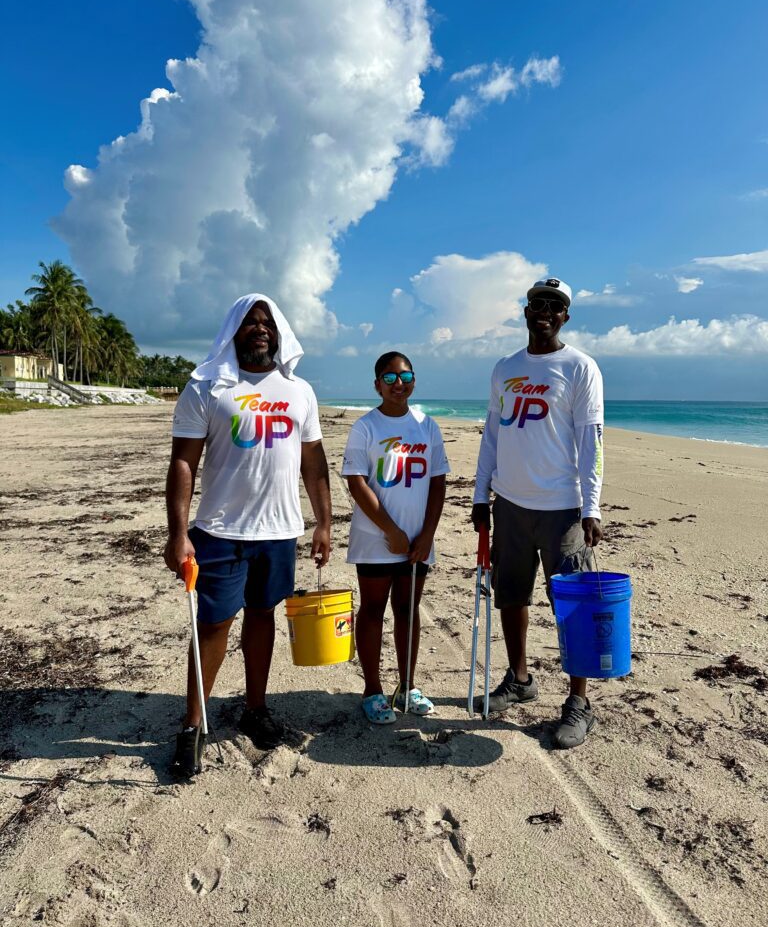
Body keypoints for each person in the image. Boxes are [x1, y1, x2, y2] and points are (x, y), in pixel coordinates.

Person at [164, 293, 332, 776]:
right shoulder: (207, 387)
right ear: (233, 330)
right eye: (250, 322)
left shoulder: (299, 391)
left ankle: (255, 708)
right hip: (219, 530)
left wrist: (322, 522)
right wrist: (178, 533)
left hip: (280, 531)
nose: (260, 329)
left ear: (279, 333)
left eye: (267, 323)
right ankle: (194, 724)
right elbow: (183, 463)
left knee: (263, 614)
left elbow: (313, 461)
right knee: (214, 624)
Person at [471, 277, 604, 749]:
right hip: (509, 503)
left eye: (555, 305)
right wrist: (479, 495)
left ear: (565, 316)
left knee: (574, 605)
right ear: (525, 311)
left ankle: (579, 701)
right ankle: (520, 678)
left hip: (562, 508)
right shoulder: (505, 368)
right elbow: (493, 434)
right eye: (536, 304)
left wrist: (592, 506)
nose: (544, 311)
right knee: (511, 596)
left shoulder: (580, 367)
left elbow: (591, 442)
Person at [342, 352, 449, 724]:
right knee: (372, 611)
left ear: (414, 382)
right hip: (376, 539)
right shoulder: (365, 427)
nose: (397, 384)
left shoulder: (427, 425)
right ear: (377, 385)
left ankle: (407, 685)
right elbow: (356, 482)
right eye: (389, 378)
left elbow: (438, 482)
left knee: (407, 611)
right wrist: (390, 530)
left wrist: (427, 535)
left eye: (405, 376)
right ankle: (372, 690)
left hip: (418, 541)